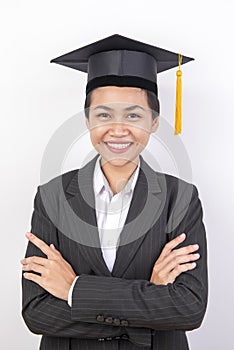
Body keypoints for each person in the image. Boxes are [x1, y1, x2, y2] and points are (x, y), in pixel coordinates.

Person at [21, 34, 208, 350]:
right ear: (87, 121)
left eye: (133, 115)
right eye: (104, 115)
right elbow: (37, 313)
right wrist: (151, 292)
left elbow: (188, 308)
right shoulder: (53, 196)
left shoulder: (181, 198)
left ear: (154, 123)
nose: (118, 130)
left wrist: (74, 289)